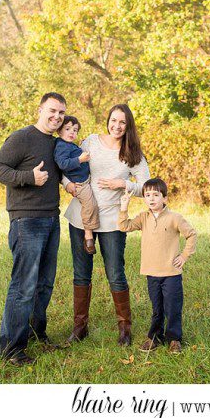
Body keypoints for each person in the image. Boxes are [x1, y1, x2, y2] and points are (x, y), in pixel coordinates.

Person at [0, 92, 67, 366]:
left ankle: (36, 332)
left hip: (52, 219)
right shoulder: (21, 137)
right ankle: (11, 349)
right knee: (24, 285)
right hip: (26, 222)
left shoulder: (56, 143)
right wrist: (28, 177)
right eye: (52, 111)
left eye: (61, 113)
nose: (56, 116)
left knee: (44, 283)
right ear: (40, 109)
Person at [63, 103, 150, 347]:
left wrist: (123, 185)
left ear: (128, 125)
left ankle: (124, 328)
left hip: (112, 220)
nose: (117, 126)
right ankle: (80, 327)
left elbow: (146, 186)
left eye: (122, 122)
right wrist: (66, 184)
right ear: (108, 120)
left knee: (115, 274)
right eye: (113, 120)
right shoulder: (90, 141)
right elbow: (66, 164)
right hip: (82, 217)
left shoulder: (132, 153)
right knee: (81, 273)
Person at [118, 176, 196, 354]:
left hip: (171, 273)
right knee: (157, 308)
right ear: (144, 198)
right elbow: (124, 226)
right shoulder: (143, 218)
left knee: (172, 307)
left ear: (165, 198)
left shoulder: (174, 218)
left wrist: (184, 255)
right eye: (147, 195)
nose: (151, 198)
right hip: (152, 273)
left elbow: (191, 234)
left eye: (156, 194)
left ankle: (174, 339)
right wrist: (124, 207)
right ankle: (155, 337)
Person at [53, 115, 99, 254]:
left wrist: (80, 148)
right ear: (59, 131)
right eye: (67, 129)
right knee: (90, 205)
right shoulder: (61, 145)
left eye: (75, 130)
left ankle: (89, 232)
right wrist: (80, 158)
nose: (72, 132)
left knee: (90, 204)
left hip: (85, 180)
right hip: (80, 184)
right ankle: (88, 235)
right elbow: (62, 164)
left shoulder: (69, 145)